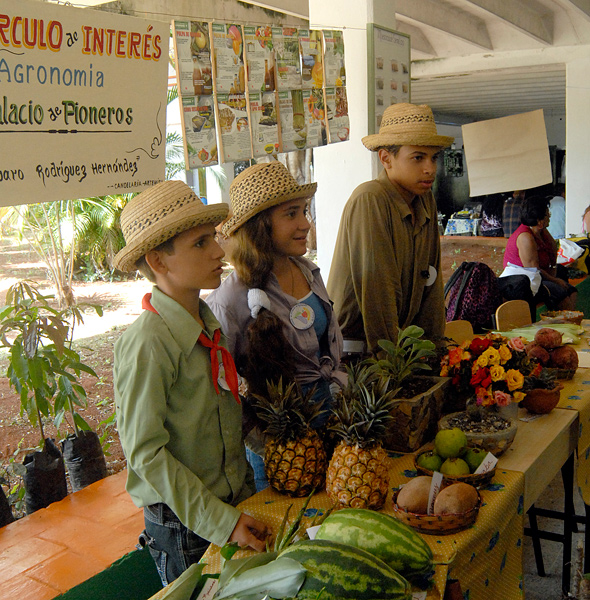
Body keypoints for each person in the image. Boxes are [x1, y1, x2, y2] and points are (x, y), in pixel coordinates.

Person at [112, 181, 269, 586]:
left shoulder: (206, 322)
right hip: (187, 525)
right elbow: (146, 454)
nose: (219, 251)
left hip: (228, 504)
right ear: (158, 261)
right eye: (201, 243)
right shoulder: (148, 342)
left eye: (214, 237)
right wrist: (221, 521)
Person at [206, 161, 346, 490]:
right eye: (291, 214)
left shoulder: (308, 271)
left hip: (333, 428)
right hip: (283, 455)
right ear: (259, 226)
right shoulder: (229, 300)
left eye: (304, 211)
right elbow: (221, 392)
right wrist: (269, 443)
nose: (305, 224)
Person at [327, 102, 454, 355]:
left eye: (433, 157)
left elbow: (431, 280)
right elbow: (378, 293)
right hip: (357, 355)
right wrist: (391, 364)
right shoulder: (370, 198)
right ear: (386, 158)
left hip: (401, 349)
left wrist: (435, 349)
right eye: (418, 157)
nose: (430, 168)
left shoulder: (424, 197)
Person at [498, 196, 577, 321]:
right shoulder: (525, 238)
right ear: (539, 221)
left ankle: (568, 321)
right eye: (547, 215)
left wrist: (555, 272)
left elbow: (552, 250)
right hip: (526, 283)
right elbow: (534, 270)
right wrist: (555, 280)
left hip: (540, 277)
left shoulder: (540, 231)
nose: (549, 217)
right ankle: (568, 323)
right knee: (561, 292)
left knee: (572, 290)